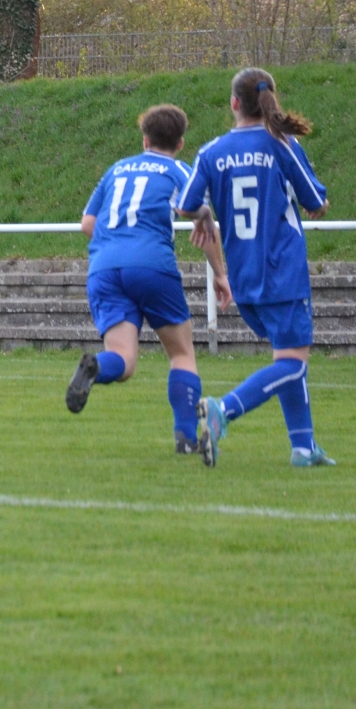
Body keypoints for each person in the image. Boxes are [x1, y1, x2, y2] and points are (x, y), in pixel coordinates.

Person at [176, 67, 334, 469]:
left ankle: (303, 448)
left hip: (242, 274)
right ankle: (224, 409)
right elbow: (313, 199)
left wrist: (207, 214)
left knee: (287, 358)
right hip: (281, 270)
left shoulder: (210, 152)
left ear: (233, 104)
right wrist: (316, 204)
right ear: (269, 101)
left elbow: (187, 206)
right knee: (293, 363)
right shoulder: (281, 143)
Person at [66, 104, 232, 454]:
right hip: (152, 265)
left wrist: (117, 245)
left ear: (144, 139)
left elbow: (87, 224)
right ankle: (186, 438)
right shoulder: (178, 170)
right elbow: (201, 219)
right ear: (181, 143)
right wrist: (220, 274)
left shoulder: (116, 170)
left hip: (104, 267)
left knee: (123, 361)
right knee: (182, 353)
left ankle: (96, 366)